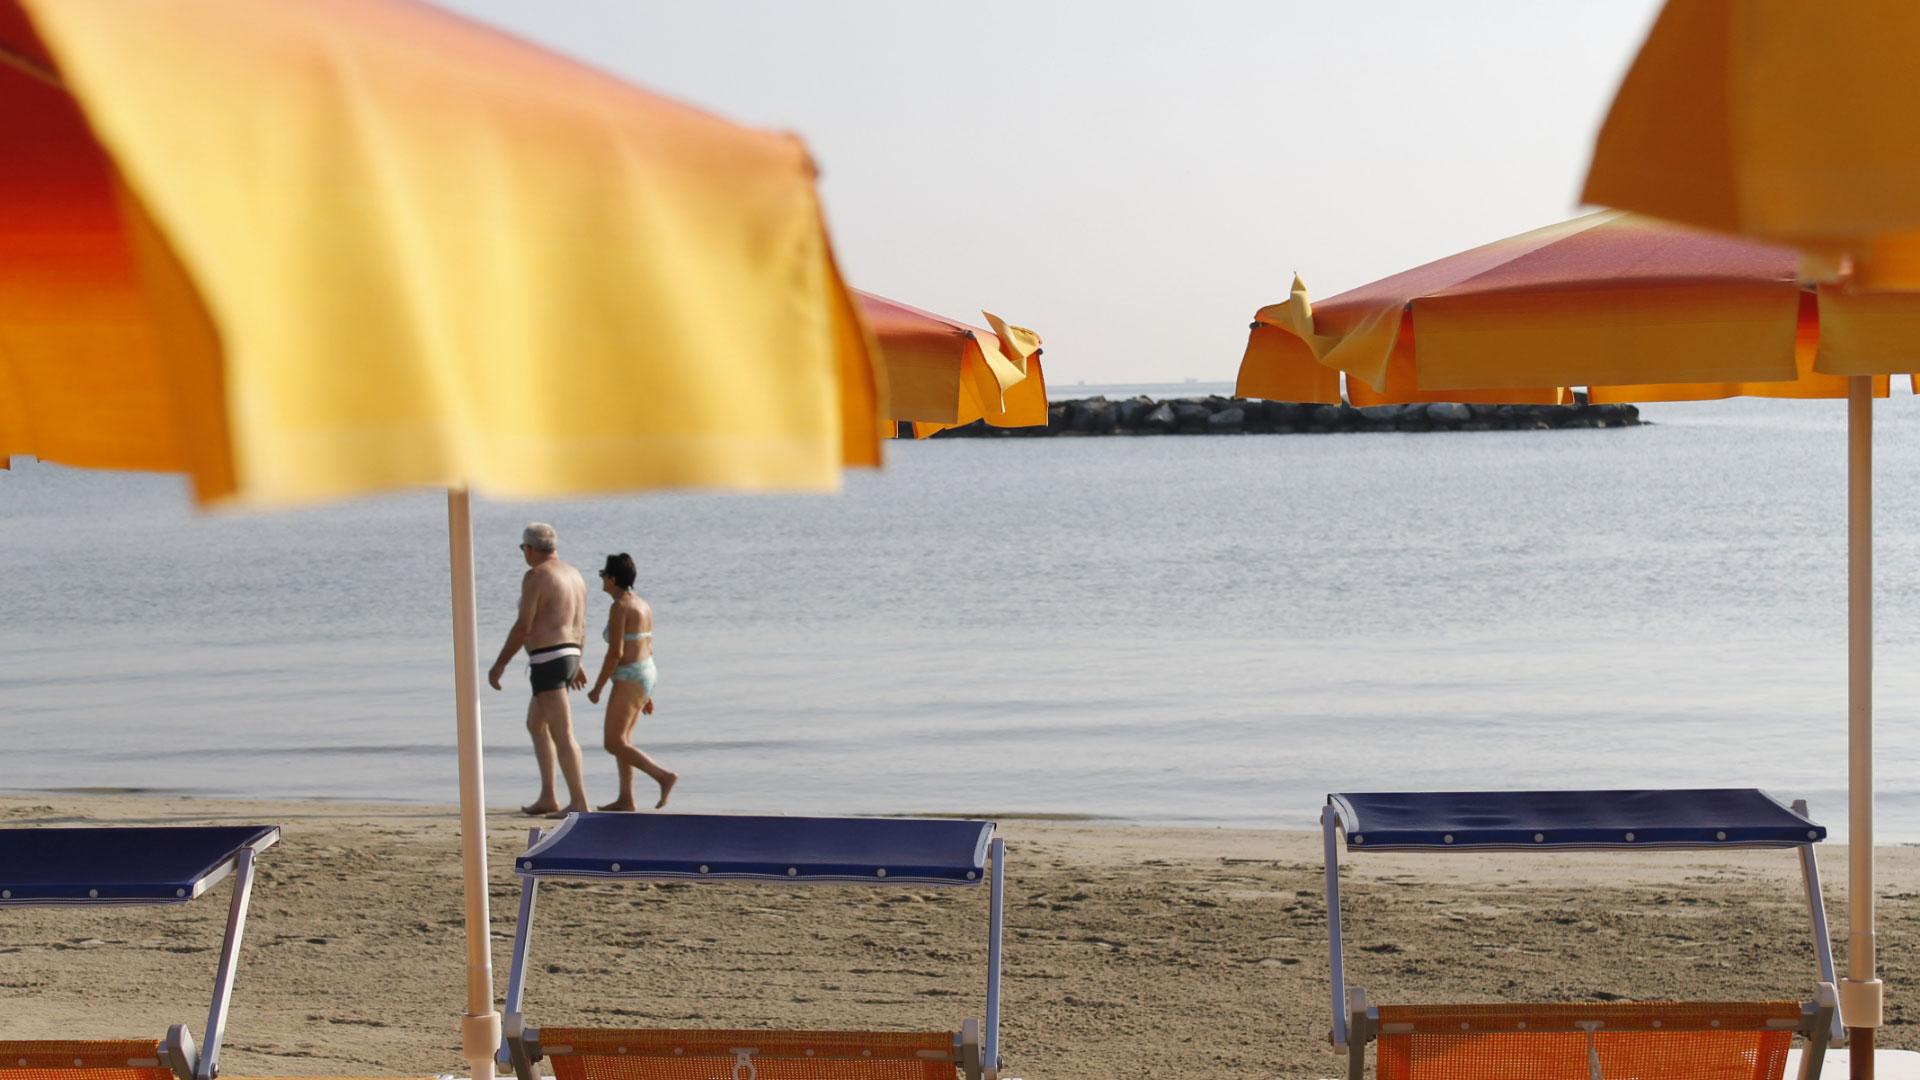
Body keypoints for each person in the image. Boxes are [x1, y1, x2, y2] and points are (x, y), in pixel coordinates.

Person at [487, 523, 591, 816]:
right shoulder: (574, 574)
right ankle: (548, 796)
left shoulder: (535, 576)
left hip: (548, 659)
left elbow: (524, 626)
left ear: (530, 549)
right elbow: (580, 623)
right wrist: (578, 660)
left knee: (563, 732)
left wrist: (499, 665)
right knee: (536, 724)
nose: (524, 554)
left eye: (523, 549)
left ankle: (580, 801)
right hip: (568, 653)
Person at [586, 552, 677, 810]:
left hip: (630, 675)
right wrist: (647, 693)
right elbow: (646, 644)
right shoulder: (642, 604)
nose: (602, 579)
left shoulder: (620, 607)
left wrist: (598, 688)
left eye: (603, 575)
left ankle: (663, 776)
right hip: (646, 671)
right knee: (623, 741)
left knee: (612, 742)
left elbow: (616, 653)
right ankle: (626, 798)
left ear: (613, 578)